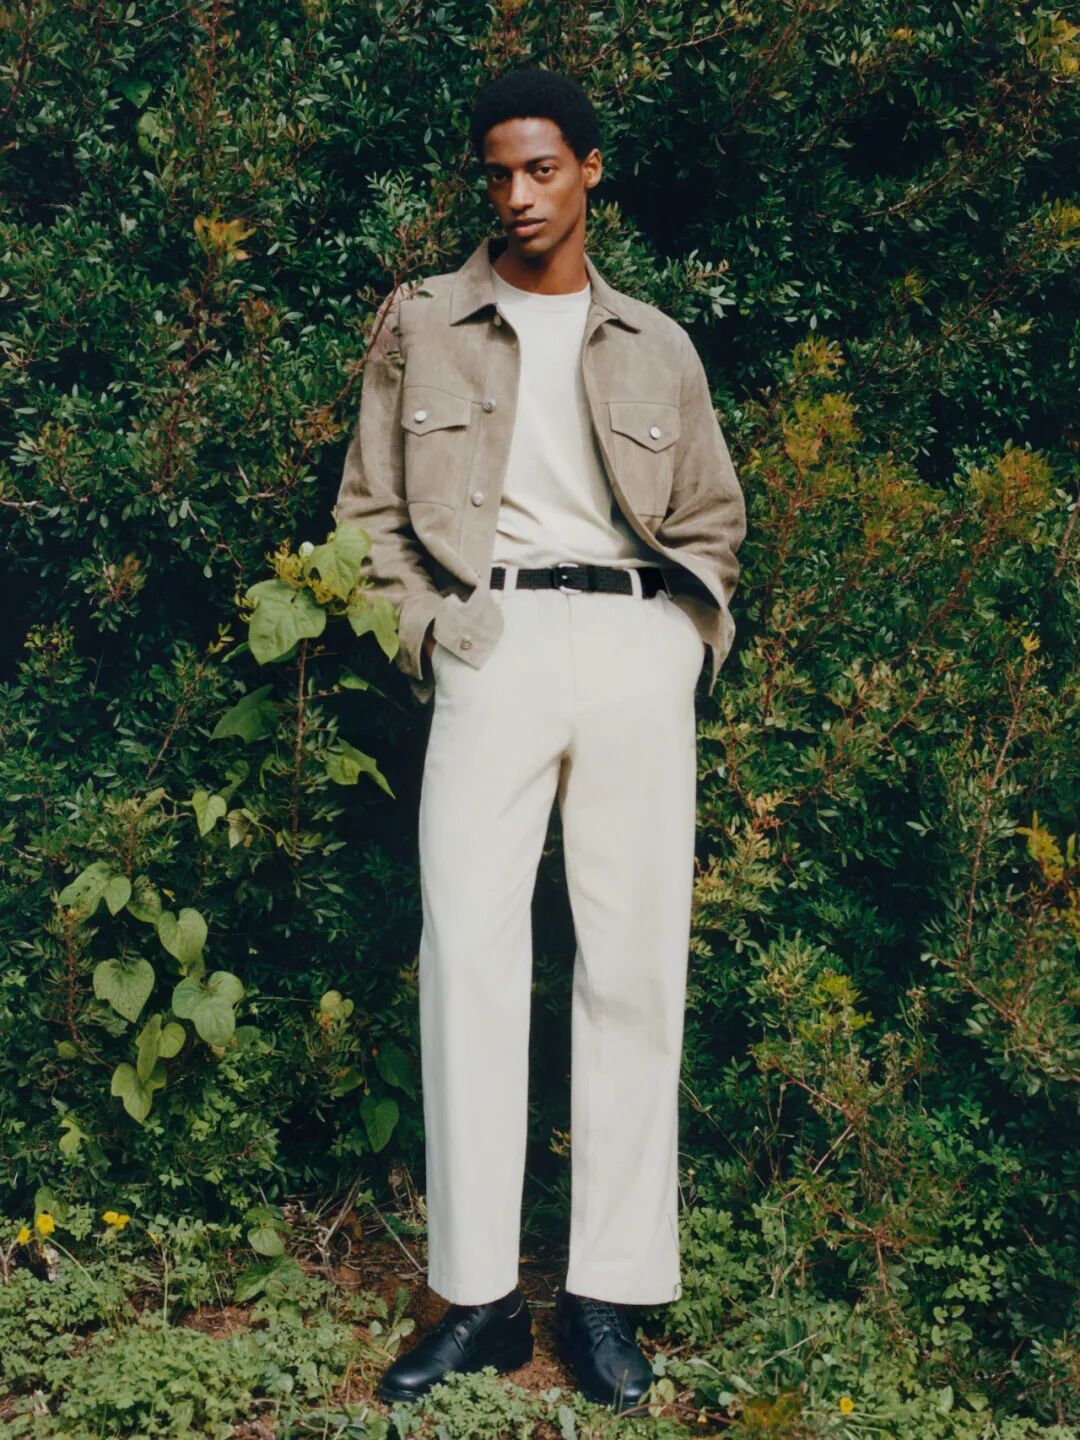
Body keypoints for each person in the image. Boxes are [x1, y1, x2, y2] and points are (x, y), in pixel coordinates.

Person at [333, 66, 747, 1413]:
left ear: (589, 171)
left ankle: (606, 1296)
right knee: (468, 958)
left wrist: (681, 641)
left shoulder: (655, 343)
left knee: (632, 969)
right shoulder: (424, 323)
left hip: (632, 649)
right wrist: (430, 635)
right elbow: (369, 514)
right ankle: (480, 1303)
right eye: (498, 173)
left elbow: (712, 517)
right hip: (489, 644)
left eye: (542, 169)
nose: (517, 195)